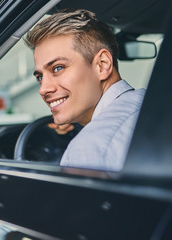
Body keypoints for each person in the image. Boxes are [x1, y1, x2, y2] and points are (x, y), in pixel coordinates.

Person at [25, 8, 145, 171]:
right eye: (40, 77)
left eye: (58, 68)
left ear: (102, 65)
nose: (43, 89)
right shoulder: (150, 102)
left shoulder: (86, 151)